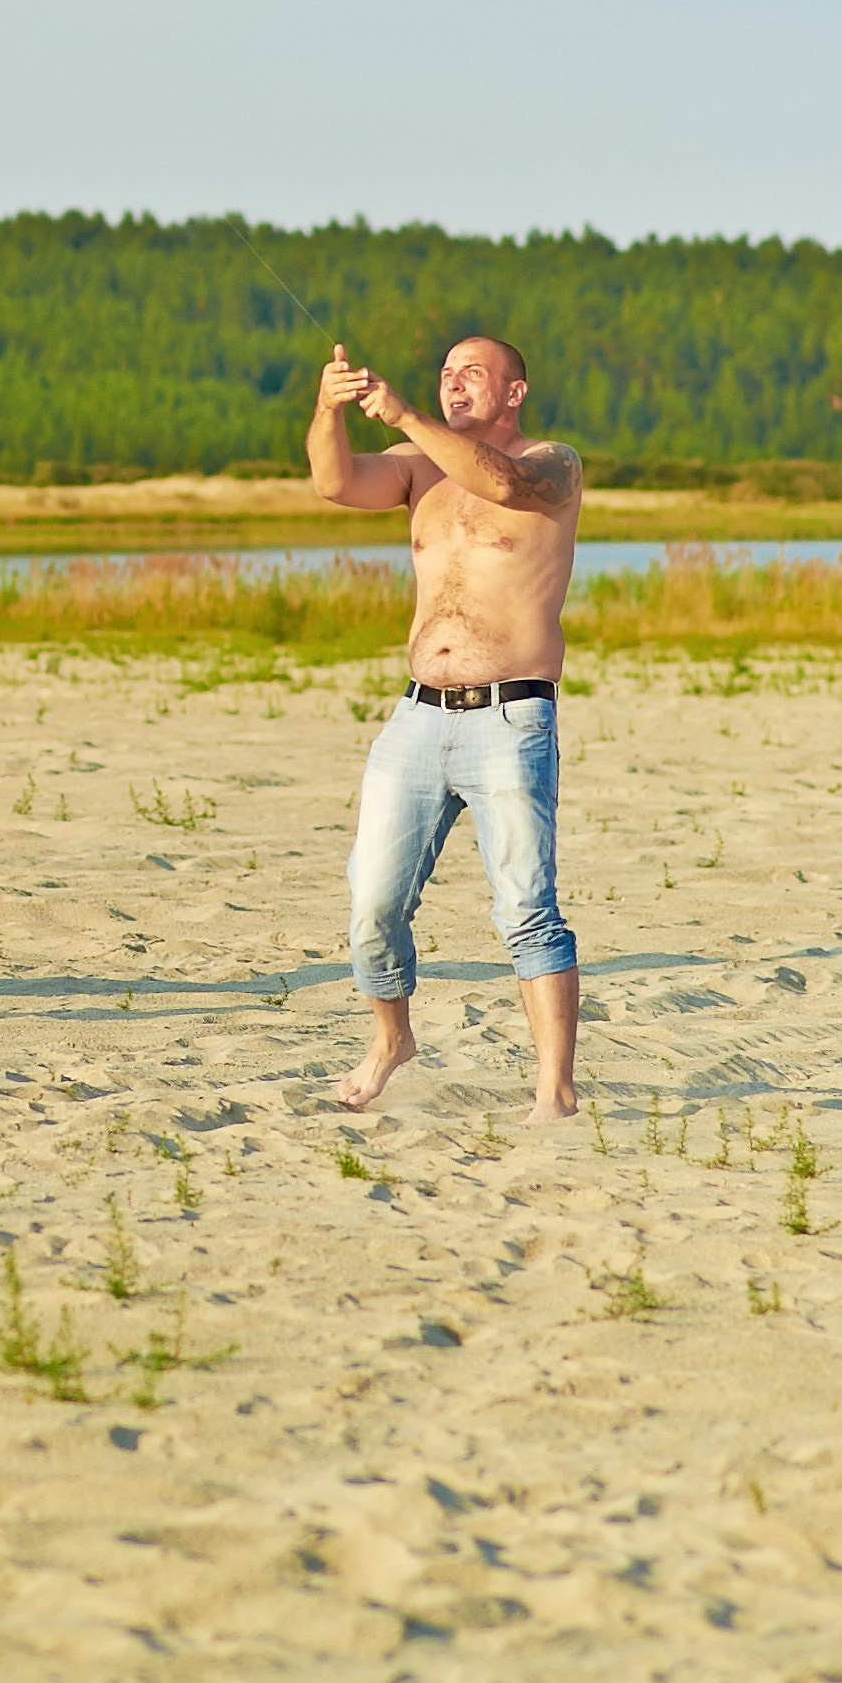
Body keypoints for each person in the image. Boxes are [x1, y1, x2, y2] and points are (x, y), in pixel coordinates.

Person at [307, 336, 582, 1123]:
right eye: (446, 374)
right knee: (372, 904)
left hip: (511, 717)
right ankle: (392, 1039)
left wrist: (404, 414)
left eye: (472, 374)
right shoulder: (413, 467)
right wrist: (329, 408)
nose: (454, 384)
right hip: (417, 719)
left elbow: (502, 482)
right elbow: (335, 482)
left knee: (526, 908)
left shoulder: (553, 463)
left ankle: (554, 1092)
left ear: (514, 392)